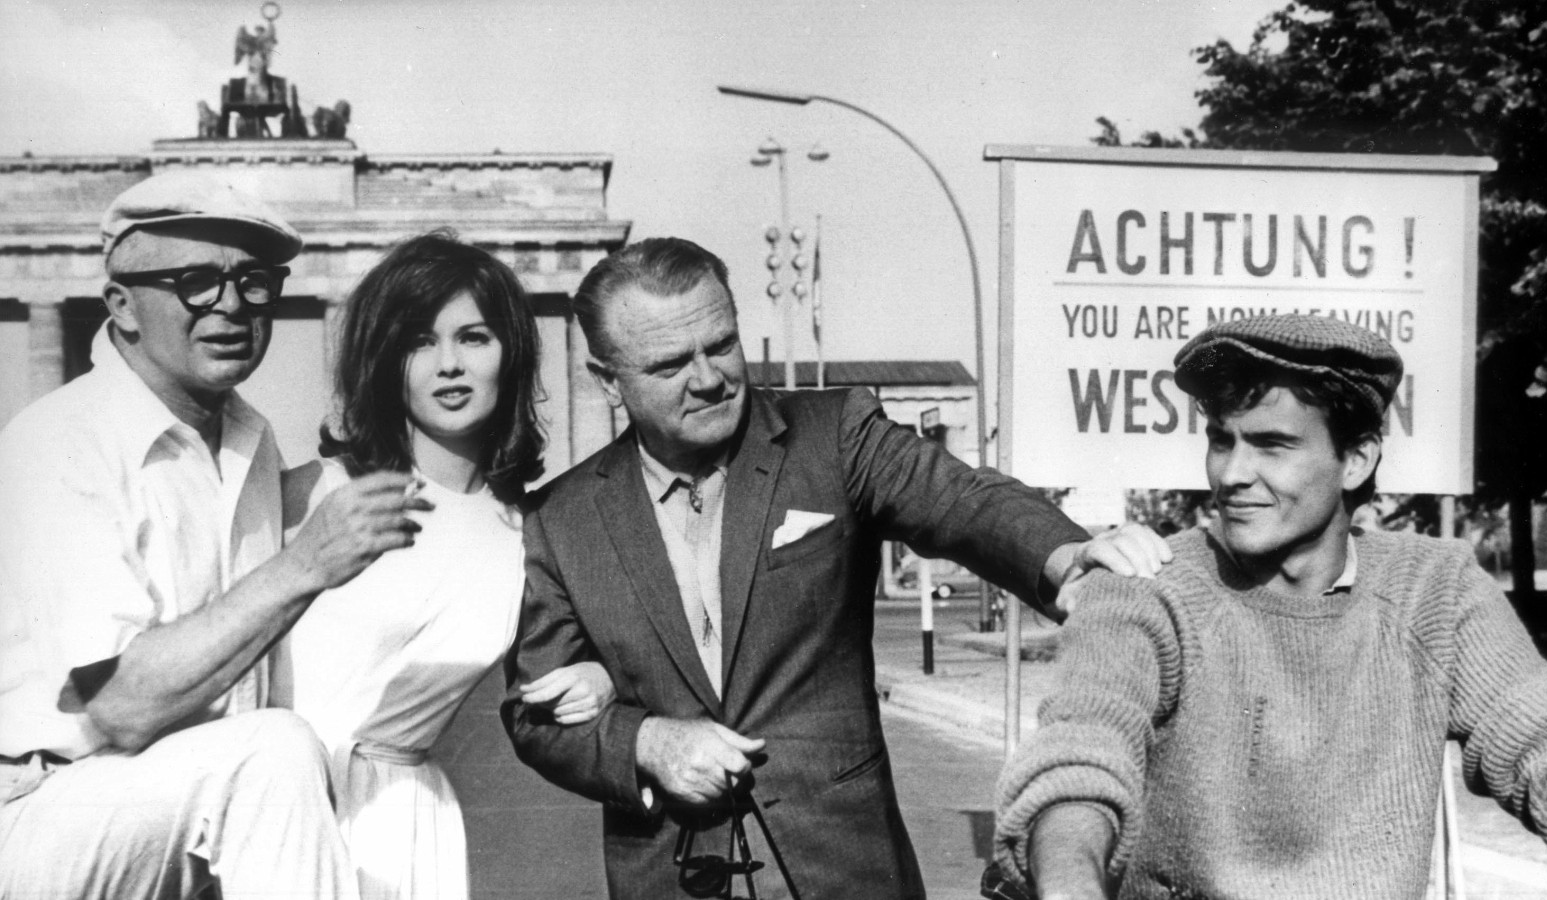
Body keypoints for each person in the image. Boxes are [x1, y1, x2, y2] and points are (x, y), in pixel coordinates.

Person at [500, 236, 1172, 898]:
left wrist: (1064, 555)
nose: (707, 379)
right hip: (672, 877)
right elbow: (534, 716)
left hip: (846, 870)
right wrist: (646, 743)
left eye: (721, 345)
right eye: (670, 364)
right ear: (608, 380)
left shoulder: (833, 436)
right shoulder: (561, 520)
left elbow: (961, 500)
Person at [992, 314, 1547, 899]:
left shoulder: (1434, 590)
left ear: (1356, 459)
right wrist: (1069, 882)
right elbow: (1081, 753)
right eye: (1221, 440)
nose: (1233, 473)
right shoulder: (1144, 585)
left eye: (1272, 445)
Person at [0, 170, 427, 897]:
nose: (230, 305)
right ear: (122, 307)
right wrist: (305, 564)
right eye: (195, 281)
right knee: (274, 753)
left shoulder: (249, 441)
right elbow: (121, 706)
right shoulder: (59, 442)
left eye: (254, 282)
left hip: (183, 811)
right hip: (45, 809)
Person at [272, 231, 616, 899]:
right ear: (384, 358)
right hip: (281, 804)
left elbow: (592, 658)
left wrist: (600, 677)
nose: (449, 364)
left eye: (474, 337)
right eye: (420, 341)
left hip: (404, 825)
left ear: (509, 354)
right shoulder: (306, 493)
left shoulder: (529, 534)